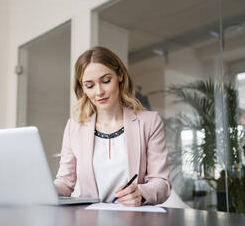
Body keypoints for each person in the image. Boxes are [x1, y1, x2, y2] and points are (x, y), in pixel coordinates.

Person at [54, 46, 171, 206]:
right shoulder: (74, 127)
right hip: (89, 221)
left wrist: (141, 193)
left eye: (106, 81)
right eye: (90, 85)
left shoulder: (149, 122)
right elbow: (65, 183)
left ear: (120, 76)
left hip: (133, 220)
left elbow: (162, 183)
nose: (99, 92)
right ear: (83, 88)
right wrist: (45, 189)